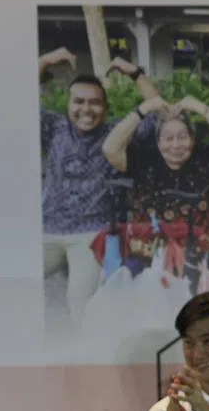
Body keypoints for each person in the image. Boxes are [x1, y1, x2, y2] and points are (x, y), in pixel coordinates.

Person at [39, 48, 159, 323]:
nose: (86, 109)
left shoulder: (115, 133)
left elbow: (158, 115)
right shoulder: (54, 128)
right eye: (79, 101)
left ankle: (82, 358)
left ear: (105, 108)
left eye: (94, 103)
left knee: (80, 303)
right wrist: (45, 61)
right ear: (68, 104)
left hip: (91, 235)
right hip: (46, 229)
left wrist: (135, 73)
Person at [102, 95, 209, 288]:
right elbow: (110, 148)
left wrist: (202, 109)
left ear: (192, 138)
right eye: (168, 138)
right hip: (147, 261)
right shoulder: (144, 160)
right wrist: (142, 111)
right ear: (158, 142)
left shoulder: (208, 159)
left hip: (205, 260)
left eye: (182, 137)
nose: (176, 145)